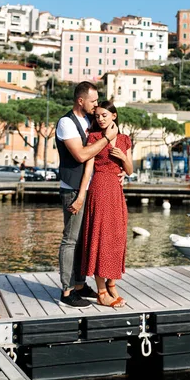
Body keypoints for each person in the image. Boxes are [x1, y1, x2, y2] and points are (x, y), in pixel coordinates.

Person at [55, 82, 119, 308]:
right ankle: (66, 291)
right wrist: (106, 139)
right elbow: (82, 155)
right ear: (80, 101)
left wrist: (118, 173)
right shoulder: (66, 123)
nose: (96, 105)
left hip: (92, 189)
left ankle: (80, 285)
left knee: (84, 240)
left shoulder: (89, 121)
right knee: (70, 240)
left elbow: (102, 158)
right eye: (93, 101)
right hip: (72, 189)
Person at [76, 101, 133, 308]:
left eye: (104, 115)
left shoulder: (125, 139)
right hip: (99, 189)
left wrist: (121, 157)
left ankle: (112, 283)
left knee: (116, 236)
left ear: (114, 116)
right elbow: (88, 168)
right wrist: (82, 194)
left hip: (116, 192)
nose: (100, 118)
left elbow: (130, 170)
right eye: (97, 116)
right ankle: (101, 291)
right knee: (99, 237)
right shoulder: (93, 138)